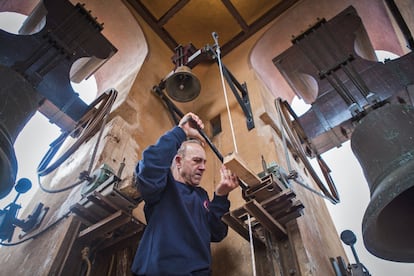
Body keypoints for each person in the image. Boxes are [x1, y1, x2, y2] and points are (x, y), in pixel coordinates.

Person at [131, 112, 239, 276]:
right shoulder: (162, 185)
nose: (203, 167)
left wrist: (221, 196)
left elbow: (217, 233)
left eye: (204, 162)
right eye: (197, 161)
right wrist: (181, 131)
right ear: (178, 161)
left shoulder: (201, 195)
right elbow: (149, 168)